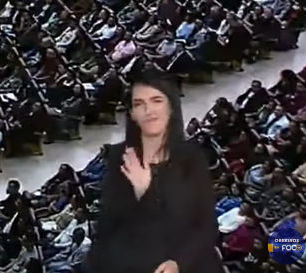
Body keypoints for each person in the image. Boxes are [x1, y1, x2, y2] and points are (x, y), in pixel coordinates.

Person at [87, 72, 218, 273]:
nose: (148, 110)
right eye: (139, 104)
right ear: (131, 113)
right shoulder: (119, 157)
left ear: (171, 107)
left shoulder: (192, 158)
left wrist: (178, 263)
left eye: (156, 100)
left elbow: (205, 227)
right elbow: (110, 228)